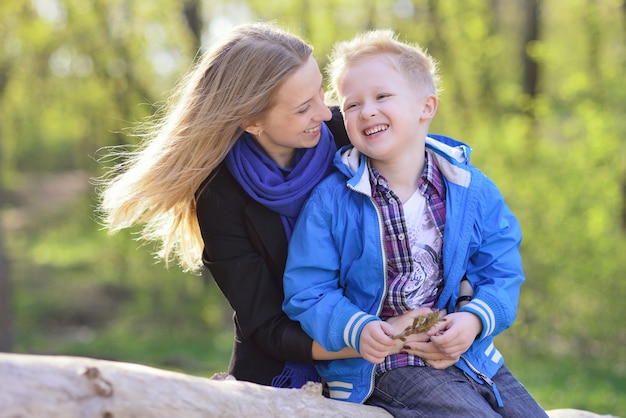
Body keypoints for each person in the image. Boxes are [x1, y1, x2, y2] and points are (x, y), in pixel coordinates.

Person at [282, 29, 548, 417]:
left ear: (426, 107)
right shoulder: (332, 201)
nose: (366, 111)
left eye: (382, 96)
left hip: (467, 353)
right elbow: (308, 291)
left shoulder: (469, 189)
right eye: (352, 104)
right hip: (385, 364)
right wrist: (355, 328)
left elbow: (501, 269)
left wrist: (473, 320)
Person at [97, 22, 372, 389]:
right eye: (304, 107)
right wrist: (364, 343)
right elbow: (267, 325)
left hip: (385, 351)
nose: (324, 114)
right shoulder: (219, 196)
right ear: (251, 120)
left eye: (321, 93)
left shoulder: (350, 133)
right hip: (283, 367)